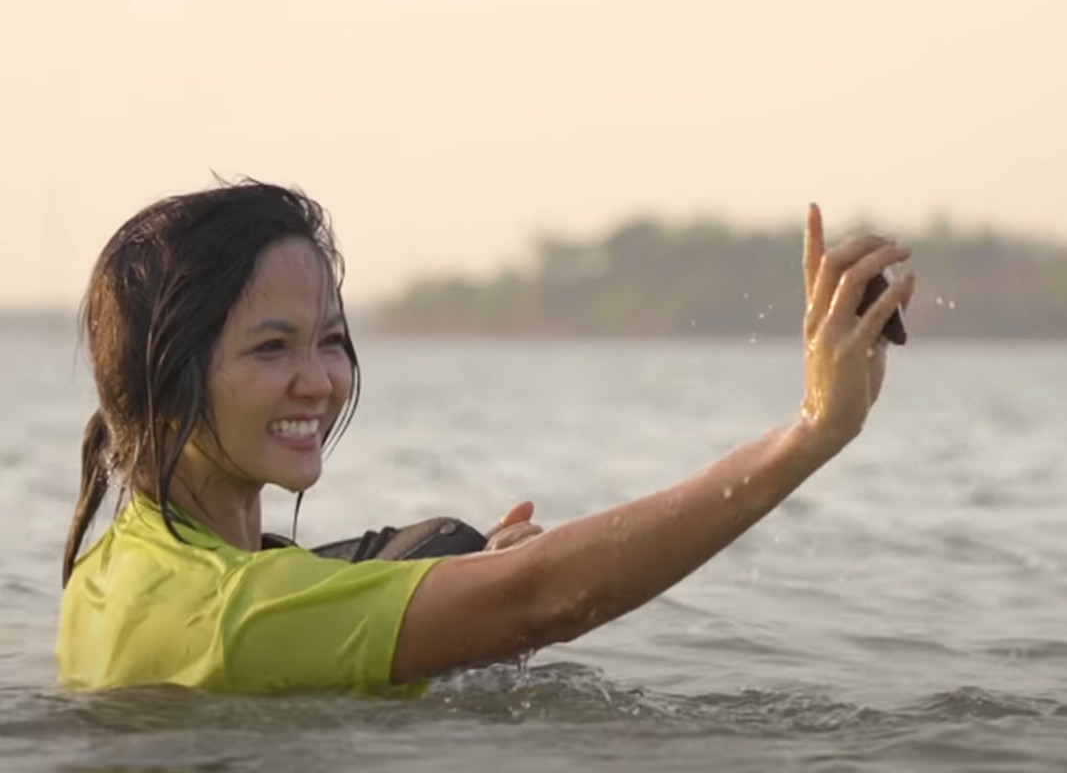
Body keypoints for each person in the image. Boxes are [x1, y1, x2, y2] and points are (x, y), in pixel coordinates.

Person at [56, 180, 916, 696]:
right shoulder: (229, 617)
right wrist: (812, 432)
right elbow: (541, 598)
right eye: (271, 347)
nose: (318, 380)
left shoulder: (110, 569)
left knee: (446, 547)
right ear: (161, 380)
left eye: (328, 340)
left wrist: (468, 589)